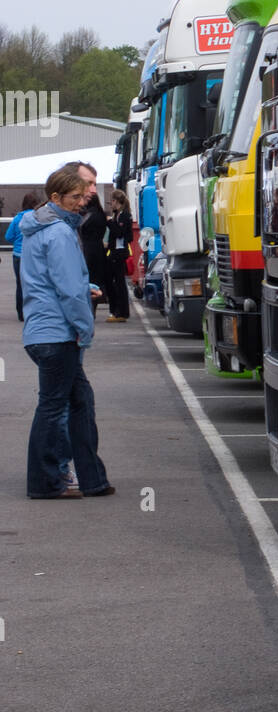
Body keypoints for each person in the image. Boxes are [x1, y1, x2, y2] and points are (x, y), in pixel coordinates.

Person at [20, 167, 115, 499]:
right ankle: (50, 480)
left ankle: (88, 478)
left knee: (75, 402)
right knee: (56, 407)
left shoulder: (38, 227)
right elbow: (68, 292)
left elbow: (49, 279)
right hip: (56, 332)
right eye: (75, 196)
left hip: (43, 329)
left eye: (83, 195)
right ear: (55, 198)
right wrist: (84, 329)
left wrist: (80, 286)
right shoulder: (58, 232)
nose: (81, 202)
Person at [73, 162, 108, 316]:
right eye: (89, 184)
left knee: (92, 283)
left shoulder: (87, 217)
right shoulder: (95, 215)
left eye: (95, 185)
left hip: (91, 251)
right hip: (96, 251)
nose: (93, 190)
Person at [5, 191, 41, 321]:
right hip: (34, 255)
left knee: (20, 284)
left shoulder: (17, 219)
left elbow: (8, 237)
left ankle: (21, 313)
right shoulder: (39, 218)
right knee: (35, 284)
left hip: (18, 255)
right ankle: (34, 311)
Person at [105, 190, 133, 322]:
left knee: (119, 282)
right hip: (115, 251)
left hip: (119, 252)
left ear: (119, 202)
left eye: (113, 201)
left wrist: (110, 223)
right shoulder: (118, 215)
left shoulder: (123, 216)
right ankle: (118, 310)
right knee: (115, 281)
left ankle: (121, 312)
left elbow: (120, 233)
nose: (112, 204)